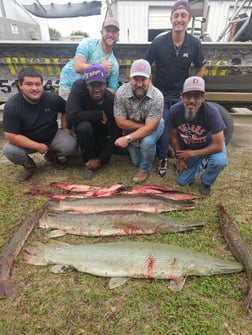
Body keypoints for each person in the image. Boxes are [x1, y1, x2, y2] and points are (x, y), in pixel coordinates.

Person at [144, 0, 206, 178]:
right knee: (163, 126)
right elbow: (145, 65)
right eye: (176, 15)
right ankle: (163, 158)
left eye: (183, 16)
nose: (179, 19)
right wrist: (152, 87)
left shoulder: (194, 44)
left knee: (185, 128)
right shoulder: (159, 42)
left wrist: (191, 89)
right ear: (171, 19)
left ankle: (182, 158)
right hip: (161, 95)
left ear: (189, 19)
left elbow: (200, 67)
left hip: (182, 97)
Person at [2, 67, 77, 182]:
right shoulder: (12, 106)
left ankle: (51, 156)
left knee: (71, 146)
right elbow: (11, 135)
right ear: (20, 85)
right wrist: (37, 146)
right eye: (29, 84)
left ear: (42, 85)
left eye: (38, 84)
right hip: (27, 141)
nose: (34, 88)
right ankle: (29, 165)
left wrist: (65, 127)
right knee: (9, 150)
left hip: (51, 135)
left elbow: (66, 110)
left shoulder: (52, 98)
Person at [168, 76, 228, 196]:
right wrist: (180, 159)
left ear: (203, 98)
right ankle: (201, 163)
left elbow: (219, 146)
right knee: (182, 182)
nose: (191, 100)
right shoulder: (174, 111)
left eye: (197, 96)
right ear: (181, 97)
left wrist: (192, 154)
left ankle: (206, 182)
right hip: (189, 147)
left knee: (219, 161)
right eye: (187, 96)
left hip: (210, 145)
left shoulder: (212, 112)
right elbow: (174, 138)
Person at [66, 64, 121, 180]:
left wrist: (101, 158)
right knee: (84, 127)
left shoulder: (110, 100)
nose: (96, 89)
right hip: (84, 129)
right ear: (86, 85)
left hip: (103, 132)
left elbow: (116, 132)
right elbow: (71, 116)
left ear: (106, 84)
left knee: (107, 157)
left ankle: (97, 159)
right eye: (92, 85)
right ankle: (88, 162)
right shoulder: (78, 88)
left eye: (100, 85)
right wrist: (98, 114)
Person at [114, 59, 164, 183]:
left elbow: (151, 127)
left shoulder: (158, 96)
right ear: (130, 78)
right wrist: (144, 126)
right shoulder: (121, 93)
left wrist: (128, 138)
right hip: (140, 126)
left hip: (155, 125)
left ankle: (145, 169)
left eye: (144, 79)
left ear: (150, 78)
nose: (140, 84)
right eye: (136, 79)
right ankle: (155, 149)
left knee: (147, 143)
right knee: (136, 161)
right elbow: (120, 122)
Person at [59, 17, 120, 100]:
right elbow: (78, 67)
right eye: (108, 30)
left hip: (89, 93)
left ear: (118, 36)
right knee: (69, 112)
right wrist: (100, 68)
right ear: (101, 32)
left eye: (114, 32)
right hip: (68, 86)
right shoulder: (87, 43)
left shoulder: (114, 64)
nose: (110, 34)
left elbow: (112, 89)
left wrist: (99, 94)